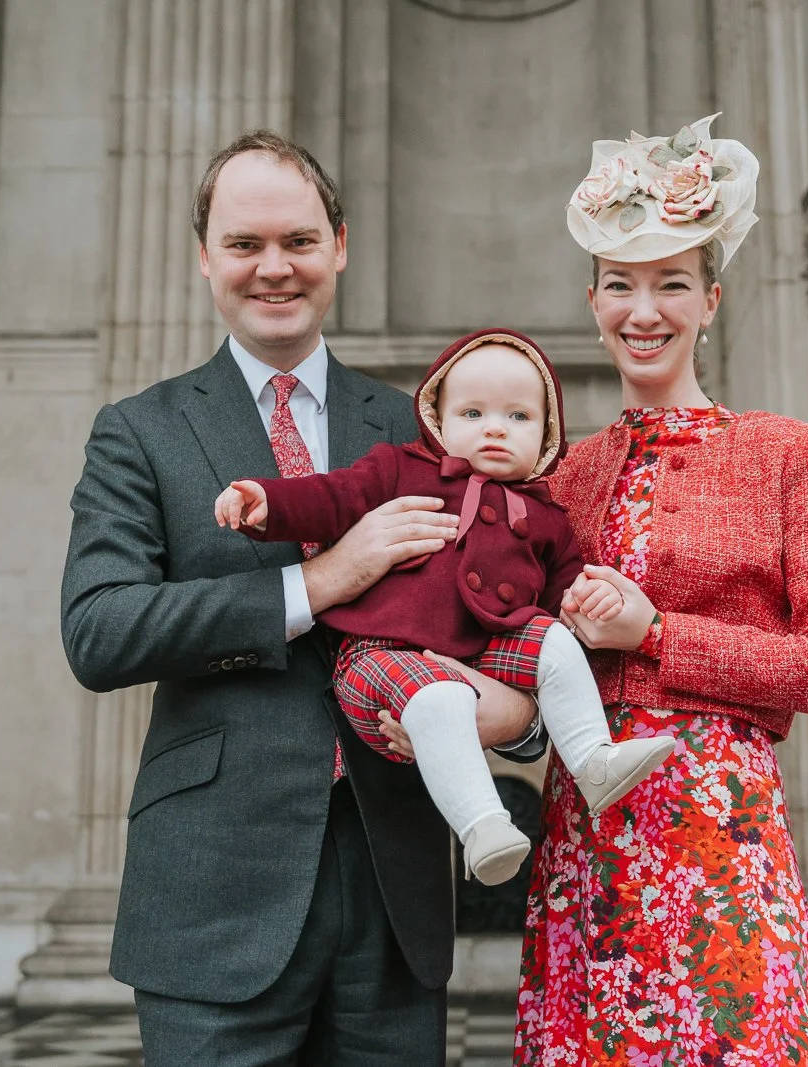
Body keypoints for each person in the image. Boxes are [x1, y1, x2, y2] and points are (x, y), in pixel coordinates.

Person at [60, 130, 543, 1065]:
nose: (273, 268)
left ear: (340, 247)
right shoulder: (139, 432)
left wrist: (516, 714)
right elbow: (99, 627)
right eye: (244, 245)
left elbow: (509, 605)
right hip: (213, 891)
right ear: (205, 258)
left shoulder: (425, 424)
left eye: (299, 241)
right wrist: (321, 579)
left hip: (397, 883)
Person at [516, 114, 808, 1063]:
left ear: (710, 299)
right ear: (592, 301)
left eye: (671, 284)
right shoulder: (559, 477)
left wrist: (655, 634)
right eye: (621, 286)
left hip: (723, 835)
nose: (645, 311)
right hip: (586, 843)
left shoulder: (794, 456)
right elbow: (521, 666)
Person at [214, 329, 677, 885]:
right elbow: (334, 497)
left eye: (520, 417)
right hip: (380, 655)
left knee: (551, 641)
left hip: (485, 647)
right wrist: (270, 504)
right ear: (438, 419)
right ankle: (483, 827)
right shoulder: (400, 469)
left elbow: (564, 597)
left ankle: (592, 759)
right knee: (439, 698)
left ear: (549, 435)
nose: (496, 427)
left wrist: (589, 600)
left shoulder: (548, 516)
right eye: (473, 412)